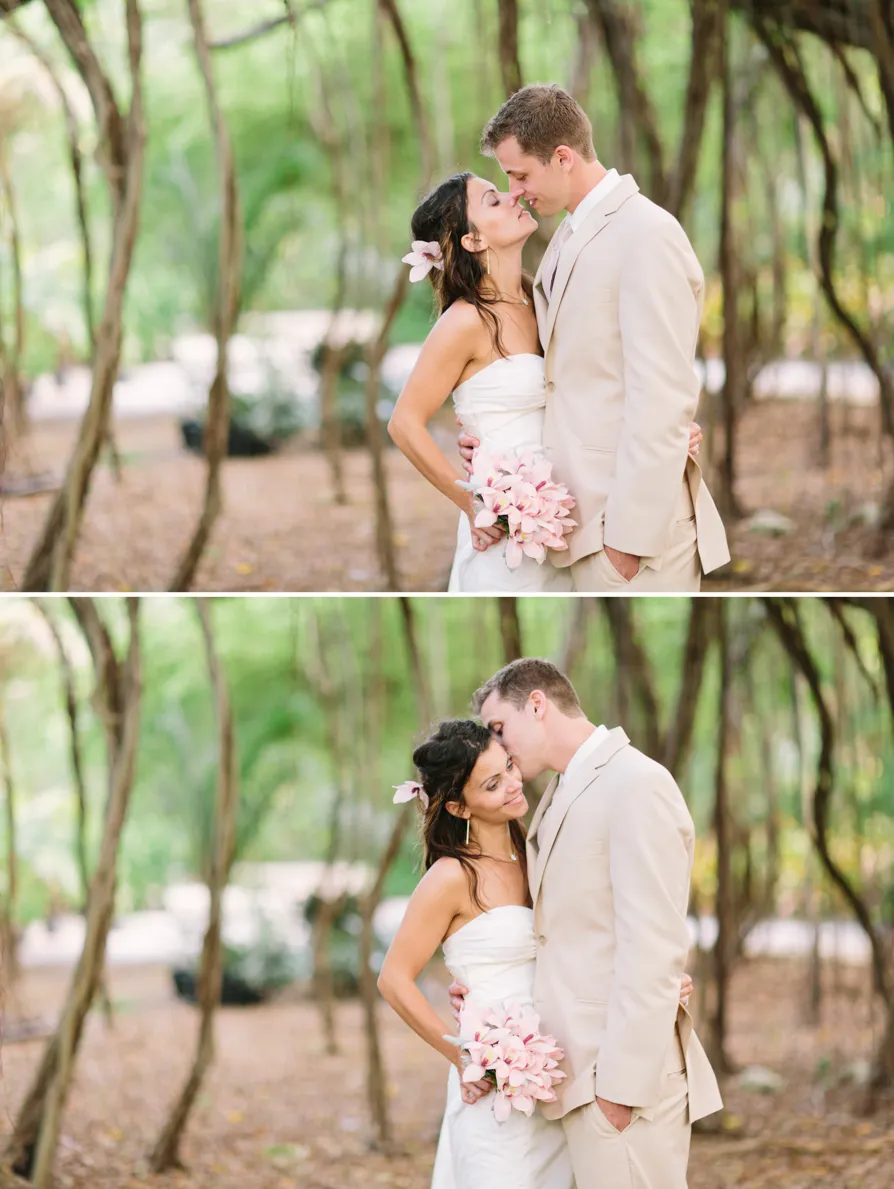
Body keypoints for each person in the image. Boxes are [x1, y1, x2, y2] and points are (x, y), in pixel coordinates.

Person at [377, 682, 709, 1188]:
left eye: (507, 766)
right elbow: (393, 979)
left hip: (560, 1077)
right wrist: (463, 1054)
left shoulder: (534, 844)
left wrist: (659, 983)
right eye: (491, 785)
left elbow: (587, 931)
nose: (512, 784)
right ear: (459, 809)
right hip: (494, 1088)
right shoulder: (449, 877)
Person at [455, 83, 730, 591]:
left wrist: (626, 547)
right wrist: (493, 442)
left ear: (562, 157)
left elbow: (662, 394)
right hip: (575, 529)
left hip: (634, 542)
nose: (514, 190)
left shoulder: (646, 234)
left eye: (519, 174)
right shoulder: (567, 234)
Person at [387, 166, 703, 592]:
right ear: (473, 240)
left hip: (573, 522)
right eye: (493, 200)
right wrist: (469, 501)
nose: (513, 196)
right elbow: (404, 423)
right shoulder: (463, 322)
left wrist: (663, 432)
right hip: (507, 532)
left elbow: (593, 385)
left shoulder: (541, 297)